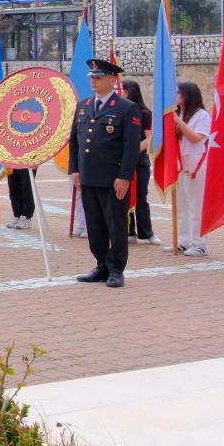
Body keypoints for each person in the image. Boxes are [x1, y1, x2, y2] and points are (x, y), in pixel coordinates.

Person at [69, 59, 142, 287]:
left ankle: (116, 269)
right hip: (88, 176)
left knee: (116, 225)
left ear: (112, 80)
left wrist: (125, 176)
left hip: (112, 178)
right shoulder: (83, 105)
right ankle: (101, 264)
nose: (94, 81)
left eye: (99, 77)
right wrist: (75, 169)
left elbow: (131, 146)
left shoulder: (126, 108)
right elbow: (75, 141)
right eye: (92, 77)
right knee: (95, 224)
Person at [115, 79, 159, 247]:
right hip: (121, 161)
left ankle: (147, 232)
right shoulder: (118, 110)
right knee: (123, 196)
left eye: (122, 89)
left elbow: (149, 138)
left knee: (141, 196)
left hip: (139, 161)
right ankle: (129, 231)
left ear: (131, 91)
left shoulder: (144, 113)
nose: (119, 92)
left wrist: (133, 150)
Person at [173, 81, 213, 256]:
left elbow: (196, 138)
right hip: (179, 161)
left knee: (196, 203)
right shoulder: (178, 113)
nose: (175, 96)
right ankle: (183, 240)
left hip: (196, 161)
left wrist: (177, 122)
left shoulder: (201, 115)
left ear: (188, 95)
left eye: (178, 93)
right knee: (181, 203)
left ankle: (200, 243)